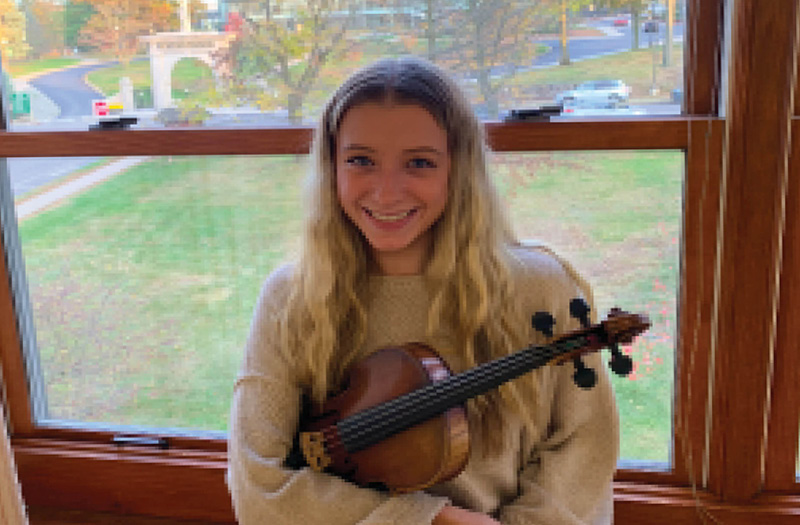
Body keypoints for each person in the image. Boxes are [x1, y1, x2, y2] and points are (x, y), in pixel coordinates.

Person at [227, 56, 619, 525]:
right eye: (361, 161)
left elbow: (583, 450)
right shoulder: (290, 297)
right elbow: (257, 484)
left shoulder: (543, 288)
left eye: (419, 163)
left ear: (459, 169)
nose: (387, 192)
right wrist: (432, 520)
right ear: (332, 167)